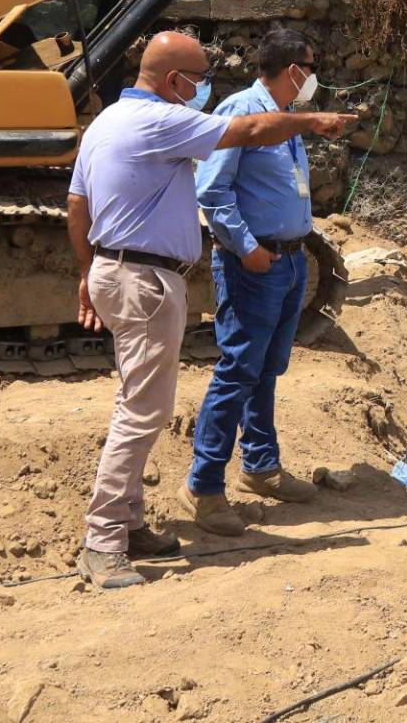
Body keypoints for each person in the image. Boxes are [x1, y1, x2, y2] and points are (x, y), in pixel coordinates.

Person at [68, 30, 355, 590]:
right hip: (147, 279)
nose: (204, 87)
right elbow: (245, 133)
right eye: (199, 77)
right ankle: (103, 540)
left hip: (121, 270)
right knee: (143, 413)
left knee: (140, 402)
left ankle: (129, 523)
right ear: (174, 80)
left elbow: (77, 205)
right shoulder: (161, 120)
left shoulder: (103, 122)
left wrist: (88, 271)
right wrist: (313, 120)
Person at [183, 30, 327, 536]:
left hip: (288, 261)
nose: (314, 75)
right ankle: (203, 487)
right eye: (311, 65)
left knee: (265, 368)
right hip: (255, 264)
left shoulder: (284, 122)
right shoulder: (242, 111)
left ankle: (261, 467)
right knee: (238, 369)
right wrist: (247, 248)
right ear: (292, 69)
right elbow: (212, 189)